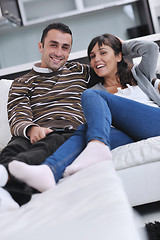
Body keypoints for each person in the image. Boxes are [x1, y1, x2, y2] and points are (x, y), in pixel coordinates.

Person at [7, 33, 160, 193]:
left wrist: (123, 45)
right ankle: (49, 171)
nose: (96, 59)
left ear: (118, 56)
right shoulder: (96, 90)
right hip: (128, 134)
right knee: (84, 129)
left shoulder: (139, 75)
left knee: (90, 97)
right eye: (92, 56)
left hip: (155, 123)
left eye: (103, 52)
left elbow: (150, 48)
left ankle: (98, 147)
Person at [0, 22, 100, 207]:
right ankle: (11, 195)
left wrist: (119, 45)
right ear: (41, 46)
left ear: (70, 51)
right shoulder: (22, 82)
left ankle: (10, 181)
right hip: (33, 131)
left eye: (65, 47)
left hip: (68, 132)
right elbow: (17, 113)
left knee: (47, 146)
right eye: (53, 45)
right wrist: (31, 129)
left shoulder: (80, 71)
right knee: (11, 150)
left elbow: (116, 66)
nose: (59, 52)